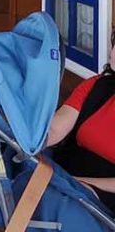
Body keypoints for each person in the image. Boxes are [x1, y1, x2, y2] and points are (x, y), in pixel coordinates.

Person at [47, 35, 115, 212]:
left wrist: (76, 183)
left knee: (60, 201)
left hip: (104, 191)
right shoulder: (97, 86)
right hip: (67, 171)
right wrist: (22, 140)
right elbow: (54, 129)